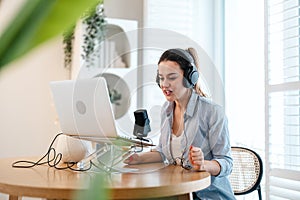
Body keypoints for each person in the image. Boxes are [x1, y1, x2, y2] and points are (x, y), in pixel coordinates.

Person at [124, 47, 235, 200]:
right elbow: (163, 152)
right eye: (161, 78)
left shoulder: (212, 111)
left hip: (208, 195)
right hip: (177, 192)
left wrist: (204, 165)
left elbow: (226, 162)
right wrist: (137, 158)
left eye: (171, 77)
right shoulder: (167, 110)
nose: (164, 84)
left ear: (190, 78)